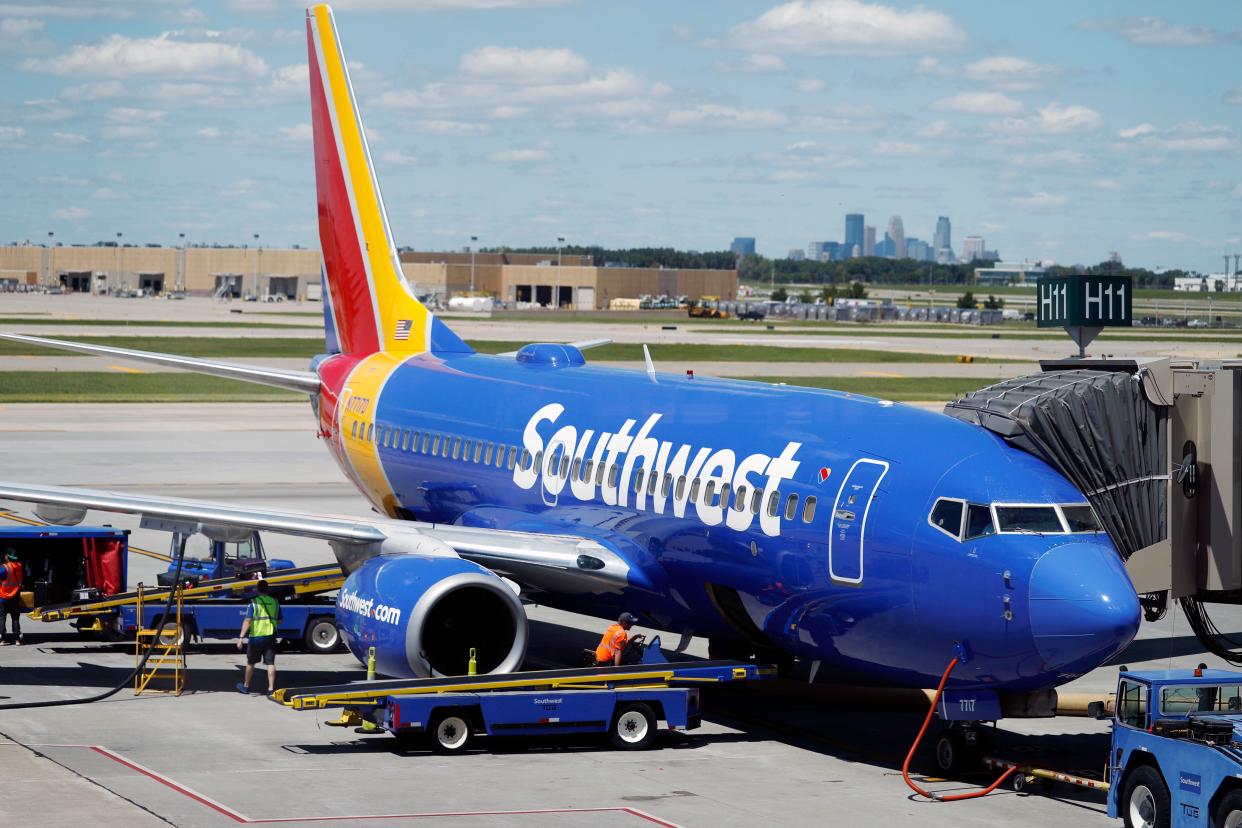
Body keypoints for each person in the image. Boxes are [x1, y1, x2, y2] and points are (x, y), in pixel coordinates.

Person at [236, 579, 281, 695]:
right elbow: (280, 620)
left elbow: (247, 621)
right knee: (270, 663)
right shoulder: (275, 602)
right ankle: (271, 689)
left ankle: (246, 686)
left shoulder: (253, 603)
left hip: (256, 636)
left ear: (257, 589)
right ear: (267, 589)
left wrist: (241, 637)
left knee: (251, 662)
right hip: (270, 635)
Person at [0, 549, 23, 646]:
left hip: (3, 597)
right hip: (15, 596)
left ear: (7, 557)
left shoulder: (3, 568)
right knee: (15, 617)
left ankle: (2, 639)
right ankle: (17, 639)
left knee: (2, 617)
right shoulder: (19, 566)